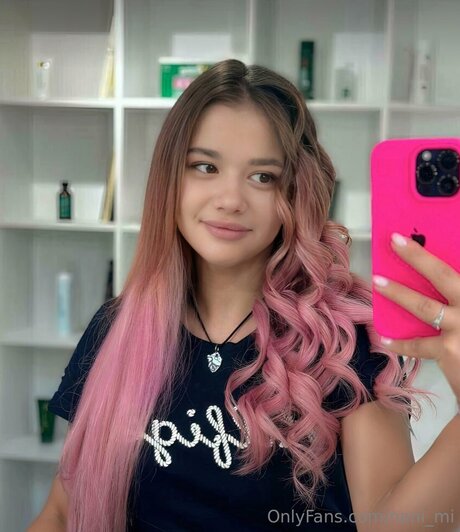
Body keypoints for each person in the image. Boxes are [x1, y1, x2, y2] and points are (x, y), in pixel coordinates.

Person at [32, 59, 460, 532]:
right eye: (205, 166)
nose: (230, 199)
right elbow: (62, 511)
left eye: (263, 177)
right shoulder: (114, 330)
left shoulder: (342, 341)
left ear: (293, 193)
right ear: (170, 178)